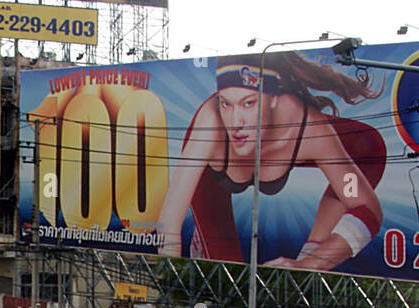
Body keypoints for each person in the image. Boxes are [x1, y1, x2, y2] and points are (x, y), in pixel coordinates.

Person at [157, 52, 386, 270]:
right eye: (226, 103)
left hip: (292, 140)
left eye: (249, 103)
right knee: (225, 268)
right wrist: (169, 278)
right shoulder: (211, 122)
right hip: (210, 173)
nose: (236, 122)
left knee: (367, 147)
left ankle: (310, 251)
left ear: (274, 98)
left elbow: (367, 209)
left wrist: (312, 262)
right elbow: (169, 222)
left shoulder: (308, 129)